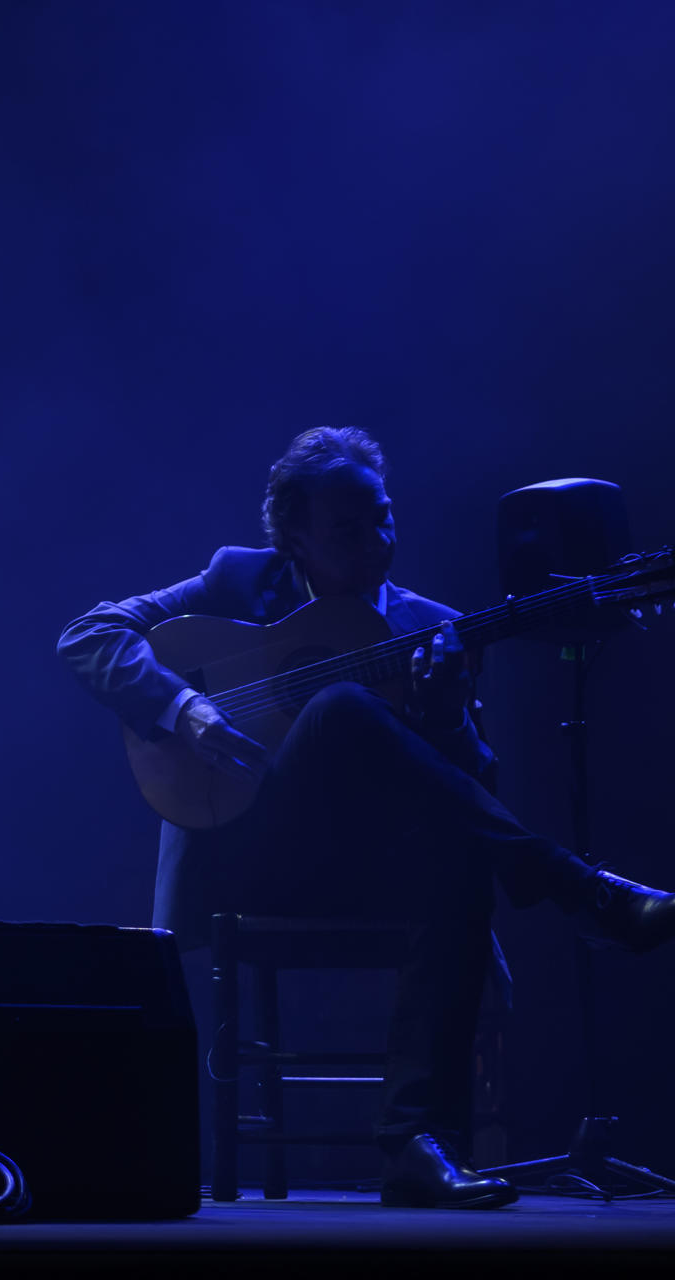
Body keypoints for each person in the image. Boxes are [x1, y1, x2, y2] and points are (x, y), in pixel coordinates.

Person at [57, 426, 675, 1209]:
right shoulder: (238, 582)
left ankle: (414, 1144)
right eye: (349, 528)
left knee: (457, 866)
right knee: (342, 704)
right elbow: (88, 636)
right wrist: (186, 712)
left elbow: (472, 792)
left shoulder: (431, 623)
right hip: (251, 858)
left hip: (370, 871)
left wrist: (447, 719)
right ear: (295, 538)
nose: (377, 541)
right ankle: (584, 892)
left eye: (383, 518)